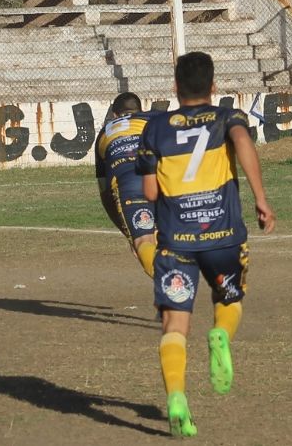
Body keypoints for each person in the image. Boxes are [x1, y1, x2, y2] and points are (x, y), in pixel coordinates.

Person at [136, 51, 276, 437]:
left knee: (173, 325)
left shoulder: (156, 127)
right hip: (223, 237)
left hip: (175, 241)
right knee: (229, 301)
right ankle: (221, 336)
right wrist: (261, 198)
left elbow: (149, 191)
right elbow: (243, 141)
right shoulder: (227, 117)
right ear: (214, 87)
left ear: (175, 86)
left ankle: (178, 396)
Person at [95, 92, 159, 277]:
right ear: (141, 110)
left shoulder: (104, 132)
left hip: (129, 181)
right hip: (162, 176)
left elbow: (105, 193)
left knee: (143, 241)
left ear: (114, 115)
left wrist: (129, 233)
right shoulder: (153, 117)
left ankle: (172, 289)